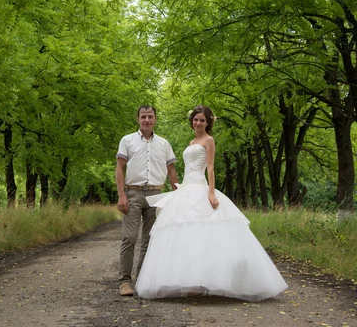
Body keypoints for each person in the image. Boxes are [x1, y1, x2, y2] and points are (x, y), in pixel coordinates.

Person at [135, 104, 288, 301]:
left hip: (200, 186)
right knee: (187, 234)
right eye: (196, 120)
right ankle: (191, 280)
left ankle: (207, 281)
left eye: (202, 120)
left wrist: (211, 192)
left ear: (207, 123)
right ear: (192, 122)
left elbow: (210, 168)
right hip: (186, 187)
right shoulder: (191, 142)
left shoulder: (209, 140)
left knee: (206, 233)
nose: (198, 123)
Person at [116, 104, 178, 296]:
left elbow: (171, 171)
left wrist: (177, 195)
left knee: (149, 239)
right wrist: (121, 195)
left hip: (157, 195)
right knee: (130, 237)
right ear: (138, 119)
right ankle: (125, 281)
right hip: (133, 193)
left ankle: (142, 279)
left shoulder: (164, 144)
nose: (147, 120)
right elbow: (120, 168)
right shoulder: (127, 141)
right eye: (143, 117)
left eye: (150, 116)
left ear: (155, 119)